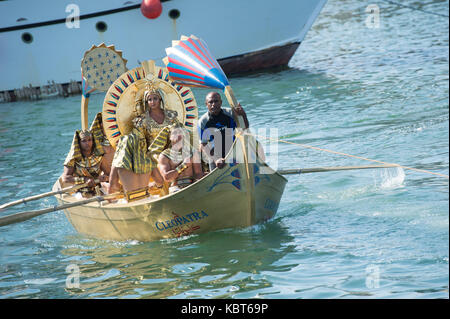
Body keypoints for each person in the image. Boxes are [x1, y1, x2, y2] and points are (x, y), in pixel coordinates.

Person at [107, 82, 178, 199]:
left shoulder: (170, 115)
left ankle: (179, 185)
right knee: (158, 162)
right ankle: (165, 192)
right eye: (149, 99)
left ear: (160, 99)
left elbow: (178, 130)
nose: (152, 102)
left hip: (170, 148)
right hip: (153, 151)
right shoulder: (142, 120)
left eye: (155, 98)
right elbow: (137, 137)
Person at [198, 91, 249, 171]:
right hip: (215, 157)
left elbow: (245, 128)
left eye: (216, 101)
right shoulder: (203, 121)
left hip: (233, 153)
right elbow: (203, 145)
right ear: (206, 104)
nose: (213, 104)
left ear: (221, 102)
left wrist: (243, 114)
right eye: (210, 102)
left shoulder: (230, 113)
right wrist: (216, 160)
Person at [62, 129, 110, 196]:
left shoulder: (99, 157)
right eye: (84, 141)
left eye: (89, 140)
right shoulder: (72, 158)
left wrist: (104, 178)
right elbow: (65, 178)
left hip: (97, 190)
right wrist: (84, 180)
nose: (87, 143)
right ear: (79, 143)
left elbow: (109, 174)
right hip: (79, 192)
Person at [158, 126, 204, 192]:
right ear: (170, 137)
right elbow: (167, 177)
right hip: (175, 189)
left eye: (180, 133)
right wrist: (184, 165)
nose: (178, 135)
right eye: (175, 133)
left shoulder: (192, 152)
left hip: (192, 187)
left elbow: (198, 174)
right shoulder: (164, 155)